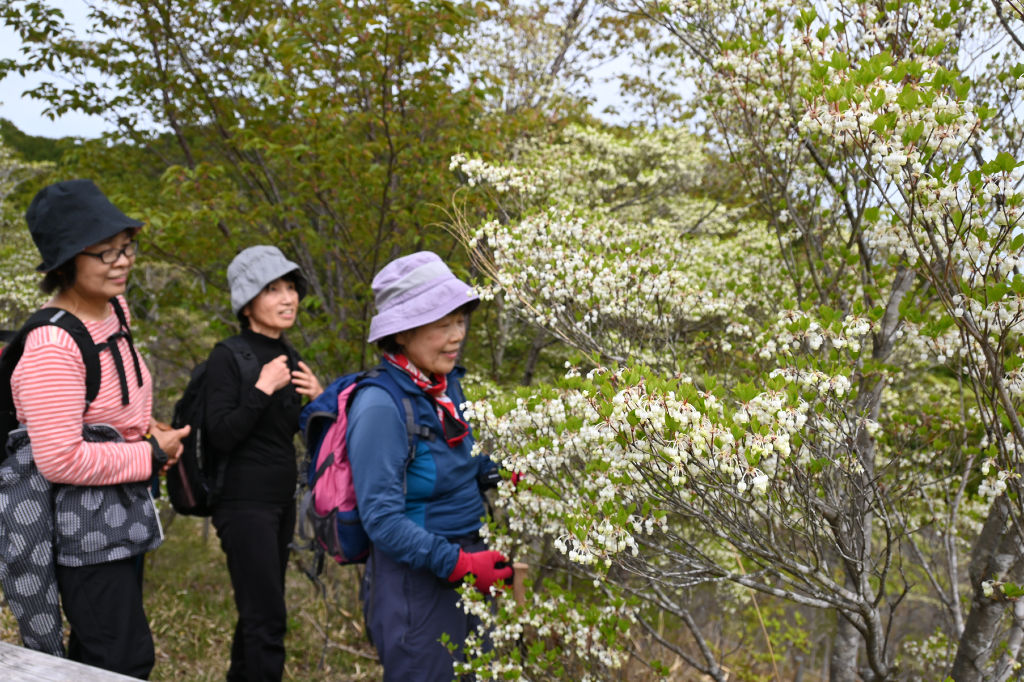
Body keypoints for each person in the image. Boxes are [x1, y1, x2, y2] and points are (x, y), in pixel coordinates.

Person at [5, 179, 189, 678]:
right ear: (66, 262)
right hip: (82, 530)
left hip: (121, 513)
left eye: (125, 246)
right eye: (104, 252)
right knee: (119, 661)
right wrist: (148, 453)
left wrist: (145, 429)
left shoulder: (114, 310)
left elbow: (111, 405)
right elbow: (59, 458)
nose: (122, 260)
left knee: (102, 653)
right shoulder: (52, 346)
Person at [347, 251, 513, 680]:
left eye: (460, 321)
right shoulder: (381, 406)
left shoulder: (446, 388)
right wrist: (458, 564)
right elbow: (381, 519)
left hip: (470, 565)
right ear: (401, 334)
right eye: (442, 325)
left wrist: (514, 472)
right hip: (415, 585)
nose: (457, 335)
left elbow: (469, 463)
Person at [204, 245, 323, 682]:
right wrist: (260, 389)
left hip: (280, 503)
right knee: (268, 619)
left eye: (291, 287)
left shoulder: (291, 357)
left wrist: (320, 401)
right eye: (273, 289)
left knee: (257, 614)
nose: (287, 297)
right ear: (248, 301)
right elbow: (221, 433)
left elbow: (291, 432)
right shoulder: (228, 356)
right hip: (242, 503)